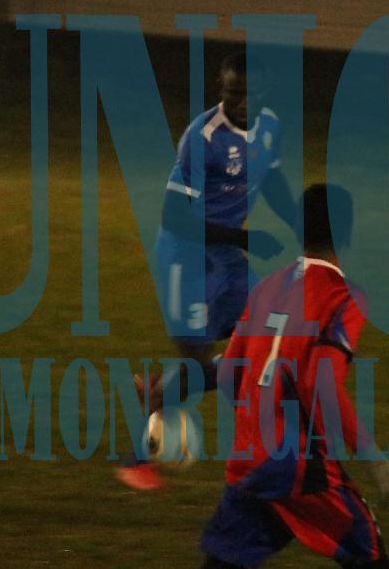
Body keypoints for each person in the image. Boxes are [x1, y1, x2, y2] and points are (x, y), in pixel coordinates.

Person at [117, 51, 297, 491]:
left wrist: (300, 225)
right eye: (232, 93)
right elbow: (174, 215)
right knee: (197, 366)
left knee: (263, 340)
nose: (240, 103)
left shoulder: (270, 127)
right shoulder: (203, 138)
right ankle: (136, 456)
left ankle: (170, 396)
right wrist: (245, 239)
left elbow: (270, 178)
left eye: (249, 94)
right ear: (223, 89)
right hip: (185, 258)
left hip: (227, 256)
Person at [199, 183, 389, 569]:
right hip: (300, 468)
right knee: (369, 553)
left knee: (223, 562)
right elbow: (320, 384)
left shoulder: (266, 288)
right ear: (347, 233)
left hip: (251, 460)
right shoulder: (344, 297)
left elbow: (229, 373)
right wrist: (371, 455)